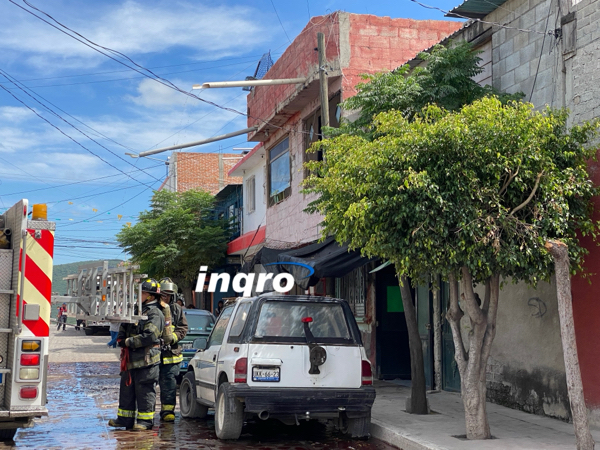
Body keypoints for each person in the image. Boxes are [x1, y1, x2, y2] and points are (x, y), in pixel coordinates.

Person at [108, 278, 165, 431]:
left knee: (144, 391)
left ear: (151, 296)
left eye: (142, 292)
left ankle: (145, 422)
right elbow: (124, 325)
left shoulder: (155, 313)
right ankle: (124, 420)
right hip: (130, 361)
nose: (138, 295)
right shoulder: (135, 310)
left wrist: (128, 342)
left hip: (146, 361)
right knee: (126, 390)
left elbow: (150, 336)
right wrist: (120, 338)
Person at [157, 277, 188, 422]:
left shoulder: (176, 309)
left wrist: (173, 337)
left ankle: (167, 411)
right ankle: (146, 414)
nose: (166, 297)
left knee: (169, 384)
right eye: (163, 294)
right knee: (148, 384)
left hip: (171, 354)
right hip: (154, 354)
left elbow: (183, 328)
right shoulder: (153, 308)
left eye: (168, 294)